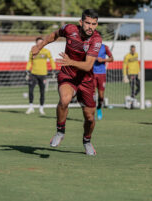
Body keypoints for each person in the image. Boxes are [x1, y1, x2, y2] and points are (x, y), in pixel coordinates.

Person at [31, 9, 102, 155]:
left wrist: (70, 61)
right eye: (87, 23)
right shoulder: (69, 29)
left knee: (89, 118)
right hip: (67, 75)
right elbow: (54, 35)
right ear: (81, 22)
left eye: (94, 24)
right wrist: (40, 46)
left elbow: (88, 65)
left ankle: (87, 141)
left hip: (86, 81)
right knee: (64, 100)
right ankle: (60, 131)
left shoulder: (96, 39)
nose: (90, 27)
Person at [25, 37, 56, 115]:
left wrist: (53, 69)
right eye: (38, 42)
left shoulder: (47, 51)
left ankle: (41, 108)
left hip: (43, 74)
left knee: (42, 92)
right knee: (30, 90)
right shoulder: (33, 51)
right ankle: (31, 107)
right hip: (33, 74)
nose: (40, 44)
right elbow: (29, 61)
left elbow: (51, 60)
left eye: (42, 43)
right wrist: (27, 70)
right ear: (36, 43)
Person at [93, 44, 113, 120]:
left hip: (102, 74)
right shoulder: (90, 46)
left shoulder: (105, 47)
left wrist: (103, 60)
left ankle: (99, 108)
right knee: (92, 95)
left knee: (101, 96)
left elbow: (112, 59)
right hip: (92, 73)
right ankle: (92, 113)